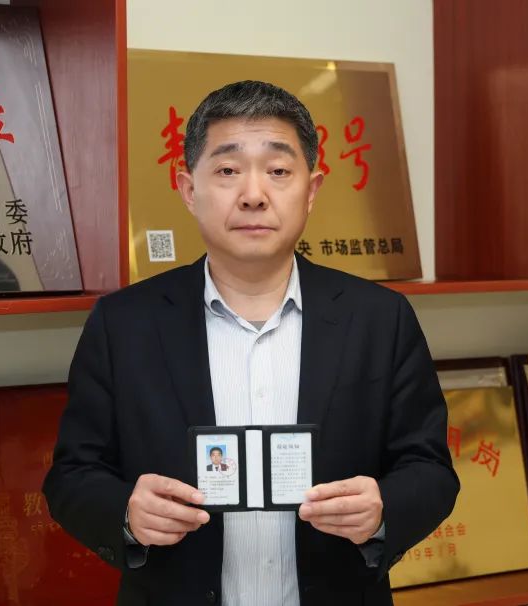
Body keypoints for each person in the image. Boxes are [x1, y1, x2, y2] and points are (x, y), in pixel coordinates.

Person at [43, 80, 458, 606]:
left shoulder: (380, 318)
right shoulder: (124, 323)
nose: (254, 194)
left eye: (279, 171)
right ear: (188, 189)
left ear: (312, 189)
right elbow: (72, 475)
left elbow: (430, 470)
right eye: (227, 170)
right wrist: (126, 512)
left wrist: (383, 509)